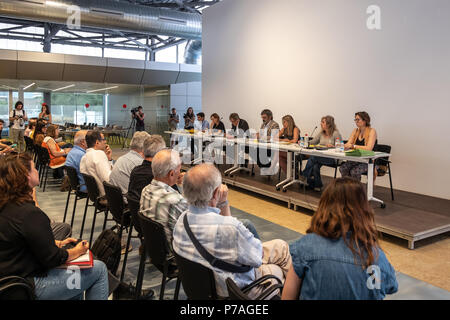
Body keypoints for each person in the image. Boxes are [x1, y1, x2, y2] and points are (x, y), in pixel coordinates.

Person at [173, 164, 292, 298]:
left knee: (280, 246)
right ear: (216, 193)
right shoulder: (230, 228)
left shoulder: (181, 220)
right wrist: (224, 202)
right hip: (235, 291)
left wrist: (221, 202)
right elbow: (256, 258)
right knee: (280, 265)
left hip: (203, 287)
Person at [0, 153, 109, 300]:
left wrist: (56, 243)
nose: (37, 170)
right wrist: (77, 251)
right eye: (34, 168)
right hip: (29, 285)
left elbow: (20, 241)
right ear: (26, 176)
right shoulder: (29, 214)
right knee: (99, 269)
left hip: (10, 280)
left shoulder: (7, 205)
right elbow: (53, 259)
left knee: (76, 282)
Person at [282, 177, 398, 300]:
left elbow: (287, 297)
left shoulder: (305, 247)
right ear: (364, 209)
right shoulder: (376, 256)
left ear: (324, 206)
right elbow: (392, 287)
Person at [140, 149, 187, 258]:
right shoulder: (175, 201)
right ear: (171, 173)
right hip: (176, 257)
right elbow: (196, 225)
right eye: (179, 170)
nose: (180, 173)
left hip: (156, 251)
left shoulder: (146, 190)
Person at [300, 115, 343, 191]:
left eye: (323, 122)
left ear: (329, 124)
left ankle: (304, 175)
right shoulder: (321, 133)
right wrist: (304, 142)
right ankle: (317, 185)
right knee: (315, 166)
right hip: (321, 157)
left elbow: (340, 147)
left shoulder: (335, 133)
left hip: (333, 158)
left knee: (313, 157)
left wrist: (332, 146)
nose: (321, 124)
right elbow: (313, 141)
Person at [109, 131, 149, 199]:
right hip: (128, 202)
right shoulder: (139, 164)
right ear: (145, 147)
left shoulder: (121, 158)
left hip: (115, 201)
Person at [339, 112, 378, 181]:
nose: (356, 122)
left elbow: (369, 148)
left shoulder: (372, 131)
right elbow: (349, 144)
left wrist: (353, 146)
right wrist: (342, 145)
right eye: (355, 120)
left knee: (354, 171)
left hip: (368, 161)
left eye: (358, 119)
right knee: (343, 168)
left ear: (365, 120)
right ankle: (347, 188)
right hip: (356, 159)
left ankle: (356, 190)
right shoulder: (355, 131)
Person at [127, 135, 166, 203]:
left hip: (136, 211)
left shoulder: (135, 171)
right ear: (160, 154)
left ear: (143, 151)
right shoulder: (157, 176)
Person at [80, 130, 113, 197]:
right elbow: (108, 179)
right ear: (97, 142)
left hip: (96, 195)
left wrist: (109, 159)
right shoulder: (99, 154)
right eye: (103, 139)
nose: (105, 142)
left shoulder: (84, 156)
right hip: (107, 196)